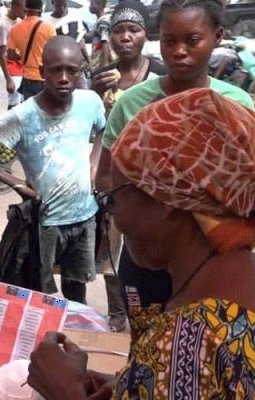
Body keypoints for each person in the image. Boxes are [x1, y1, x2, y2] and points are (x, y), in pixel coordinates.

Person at [28, 88, 255, 400]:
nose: (114, 215)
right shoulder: (243, 280)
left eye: (114, 198)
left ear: (165, 197)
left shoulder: (191, 340)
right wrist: (132, 385)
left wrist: (64, 392)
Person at [94, 0, 255, 345]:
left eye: (192, 40)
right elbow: (106, 177)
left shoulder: (236, 105)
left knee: (193, 343)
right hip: (147, 249)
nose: (179, 52)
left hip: (209, 254)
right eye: (169, 41)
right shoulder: (131, 103)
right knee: (149, 342)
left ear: (217, 37)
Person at [0, 36, 105, 303]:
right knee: (39, 291)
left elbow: (103, 132)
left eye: (71, 70)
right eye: (55, 70)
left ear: (80, 71)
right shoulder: (23, 115)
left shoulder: (90, 102)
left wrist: (94, 165)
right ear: (41, 73)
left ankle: (74, 329)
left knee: (76, 285)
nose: (63, 77)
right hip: (45, 222)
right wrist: (13, 181)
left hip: (84, 216)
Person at [90, 0, 167, 332]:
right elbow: (91, 127)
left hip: (152, 178)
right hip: (112, 177)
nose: (125, 37)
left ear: (144, 36)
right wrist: (93, 93)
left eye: (133, 30)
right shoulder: (100, 75)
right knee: (111, 247)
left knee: (151, 244)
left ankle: (158, 306)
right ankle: (118, 311)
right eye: (118, 30)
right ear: (110, 38)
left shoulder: (161, 74)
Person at [7, 0, 56, 100]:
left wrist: (23, 58)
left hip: (27, 78)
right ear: (41, 9)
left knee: (31, 111)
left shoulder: (15, 28)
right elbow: (55, 52)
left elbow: (10, 55)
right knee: (47, 111)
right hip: (45, 77)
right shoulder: (48, 27)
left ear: (25, 9)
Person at [0, 0, 26, 110]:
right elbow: (1, 54)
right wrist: (8, 79)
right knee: (14, 103)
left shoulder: (20, 21)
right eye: (23, 9)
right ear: (14, 7)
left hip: (23, 66)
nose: (25, 12)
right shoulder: (3, 25)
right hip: (13, 69)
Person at [88, 0, 112, 71]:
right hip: (98, 63)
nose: (90, 6)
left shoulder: (103, 22)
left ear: (99, 4)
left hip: (101, 64)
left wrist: (104, 66)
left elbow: (105, 42)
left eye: (92, 4)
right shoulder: (99, 21)